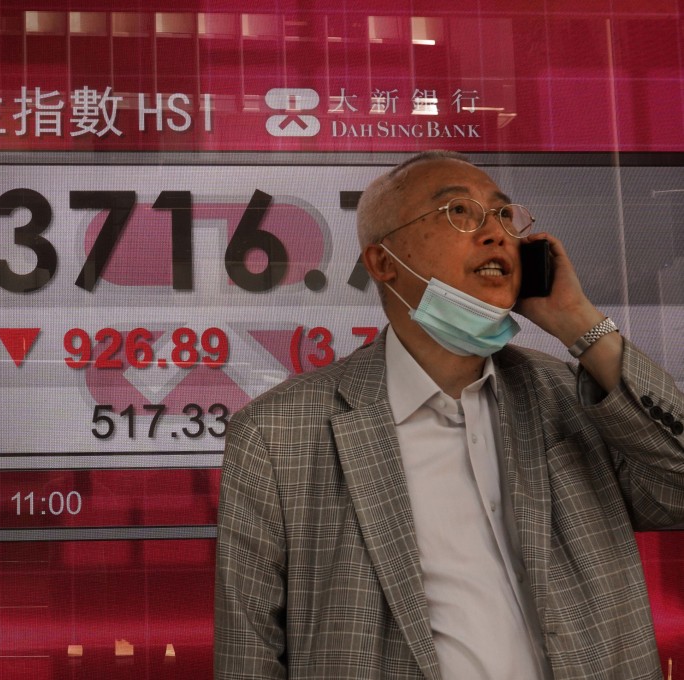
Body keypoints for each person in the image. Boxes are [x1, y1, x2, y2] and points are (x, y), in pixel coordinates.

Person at [214, 150, 684, 680]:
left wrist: (579, 323)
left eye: (503, 214)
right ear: (383, 262)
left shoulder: (568, 395)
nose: (496, 233)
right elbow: (248, 652)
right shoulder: (277, 434)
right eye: (459, 212)